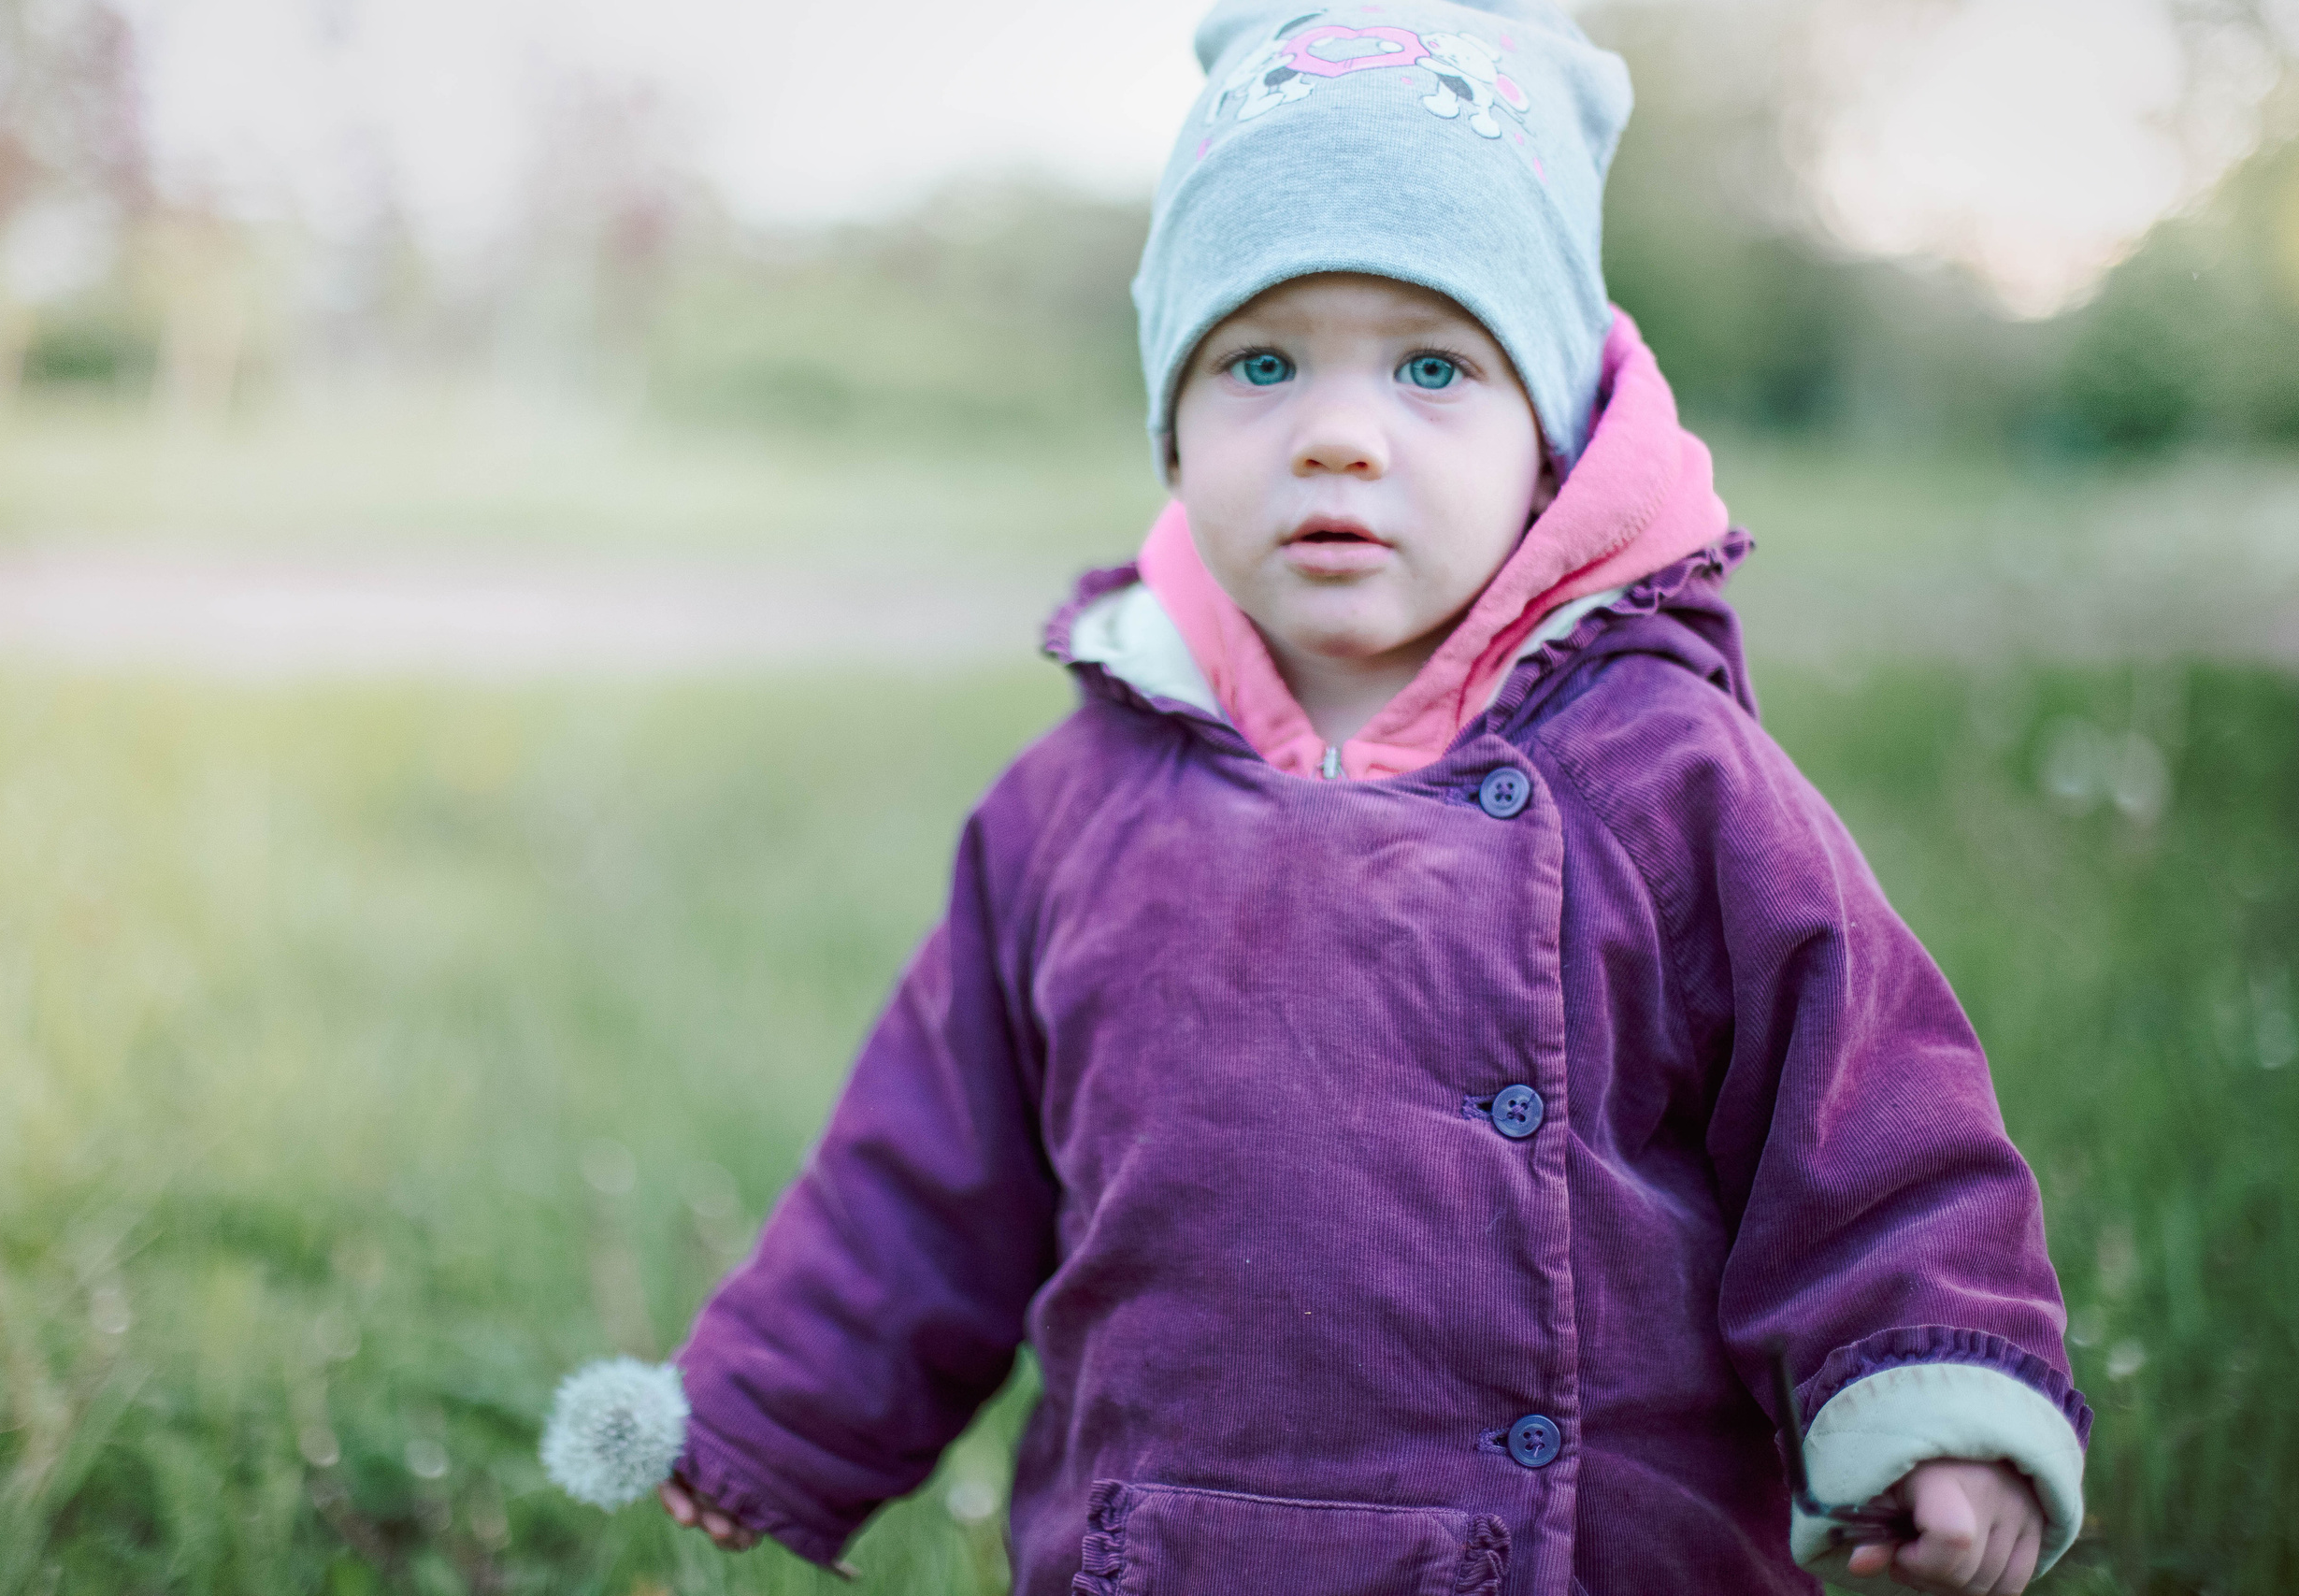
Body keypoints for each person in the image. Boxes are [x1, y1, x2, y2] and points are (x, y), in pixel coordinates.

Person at [655, 2, 2091, 1590]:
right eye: (1261, 363)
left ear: (1549, 443)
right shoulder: (1069, 811)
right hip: (1164, 1549)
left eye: (1431, 367)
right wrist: (779, 1409)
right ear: (1175, 426)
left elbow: (1867, 1111)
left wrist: (1934, 1397)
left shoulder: (1667, 777)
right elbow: (926, 1168)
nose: (1340, 436)